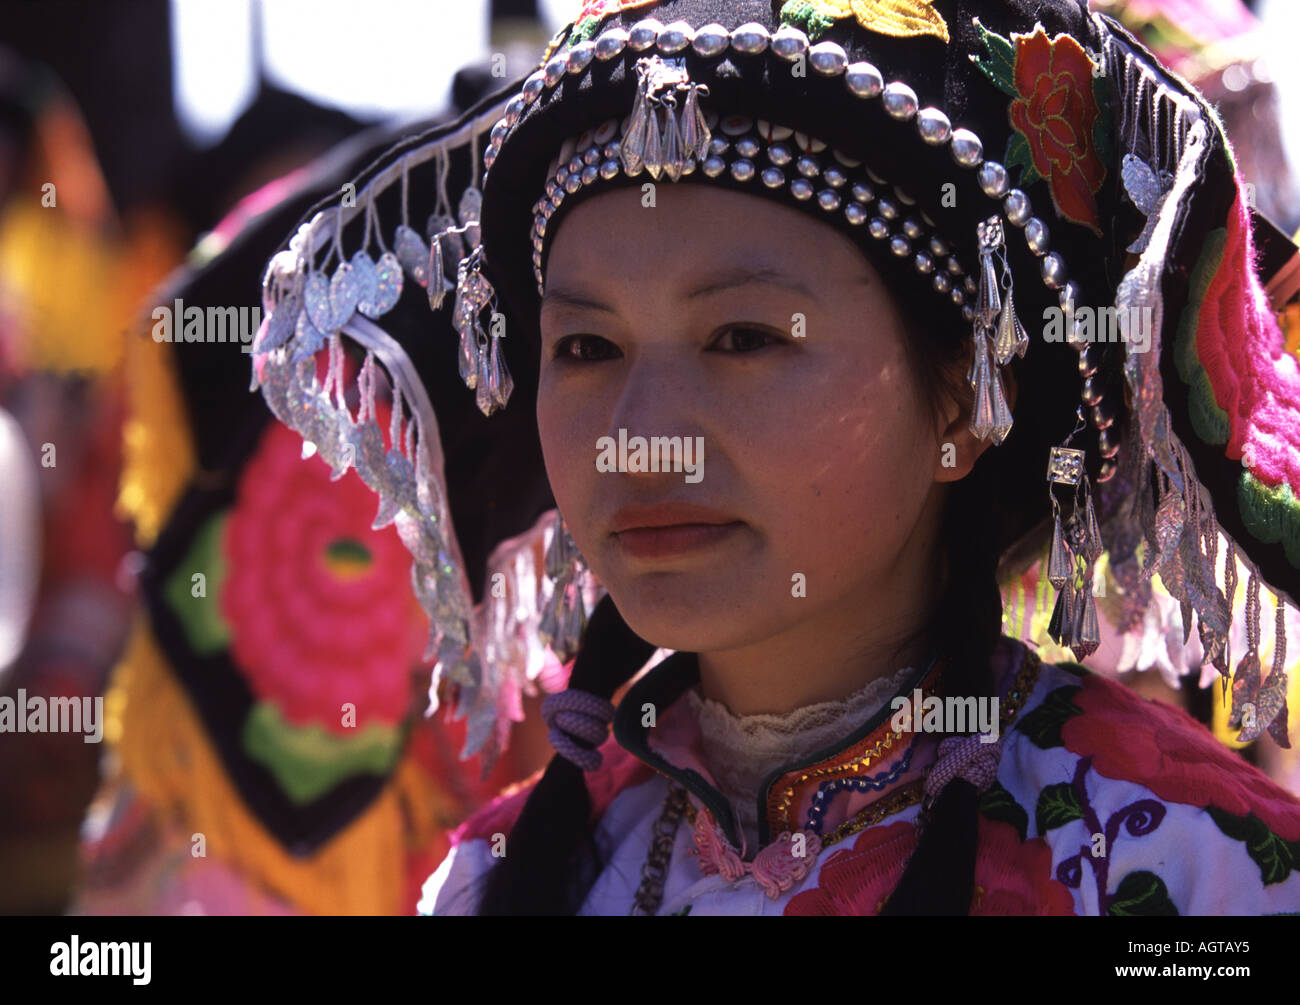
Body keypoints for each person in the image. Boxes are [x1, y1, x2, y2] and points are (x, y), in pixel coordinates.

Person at [252, 0, 1300, 914]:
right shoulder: (494, 877)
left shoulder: (1197, 871)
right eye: (585, 347)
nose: (639, 430)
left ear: (967, 402)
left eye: (743, 338)